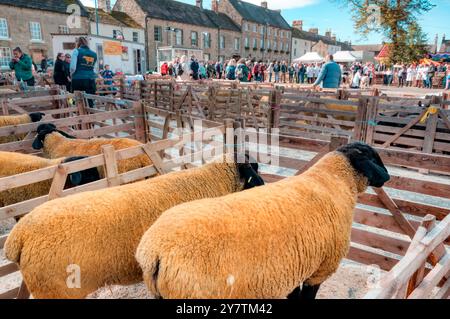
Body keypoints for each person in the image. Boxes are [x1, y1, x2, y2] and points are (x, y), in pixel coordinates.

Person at [70, 37, 98, 106]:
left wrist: (71, 74)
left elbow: (73, 67)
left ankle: (79, 115)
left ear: (78, 43)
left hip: (78, 78)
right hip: (91, 79)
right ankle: (90, 115)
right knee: (90, 100)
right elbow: (95, 68)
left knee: (77, 100)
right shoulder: (94, 54)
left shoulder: (76, 51)